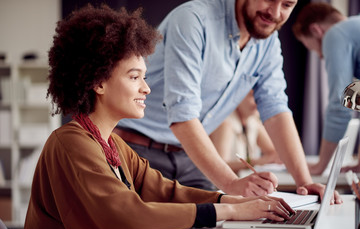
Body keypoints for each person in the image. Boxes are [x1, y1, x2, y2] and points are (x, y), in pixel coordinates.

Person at [22, 5, 295, 229]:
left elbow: (165, 191)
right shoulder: (71, 143)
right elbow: (124, 214)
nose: (147, 89)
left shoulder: (112, 143)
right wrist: (232, 211)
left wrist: (231, 200)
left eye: (145, 77)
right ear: (98, 82)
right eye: (134, 77)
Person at [115, 0, 342, 202]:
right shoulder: (193, 20)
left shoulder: (267, 42)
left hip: (190, 157)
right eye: (269, 0)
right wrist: (232, 184)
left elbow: (276, 109)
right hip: (137, 151)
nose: (274, 12)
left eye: (287, 5)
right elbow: (182, 114)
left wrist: (304, 182)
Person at [292, 2, 360, 175]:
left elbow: (340, 105)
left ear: (316, 30)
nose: (321, 56)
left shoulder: (335, 34)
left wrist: (320, 166)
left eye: (312, 48)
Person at [210, 90, 283, 173]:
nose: (257, 101)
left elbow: (274, 154)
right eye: (251, 95)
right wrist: (256, 162)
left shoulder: (253, 121)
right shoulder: (224, 123)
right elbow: (220, 166)